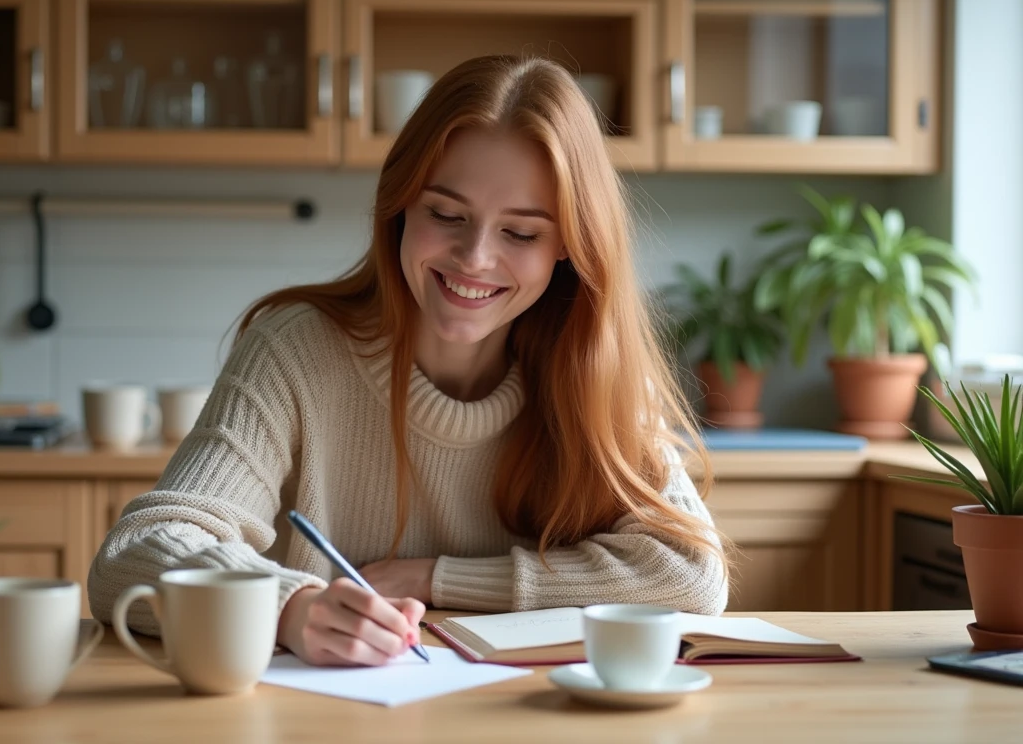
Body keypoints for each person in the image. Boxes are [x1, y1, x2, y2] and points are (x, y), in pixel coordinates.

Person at [88, 54, 730, 668]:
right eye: (446, 214)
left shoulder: (596, 370)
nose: (475, 258)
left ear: (569, 244)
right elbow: (133, 554)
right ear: (400, 207)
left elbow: (690, 577)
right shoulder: (295, 353)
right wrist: (290, 607)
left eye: (521, 232)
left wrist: (436, 577)